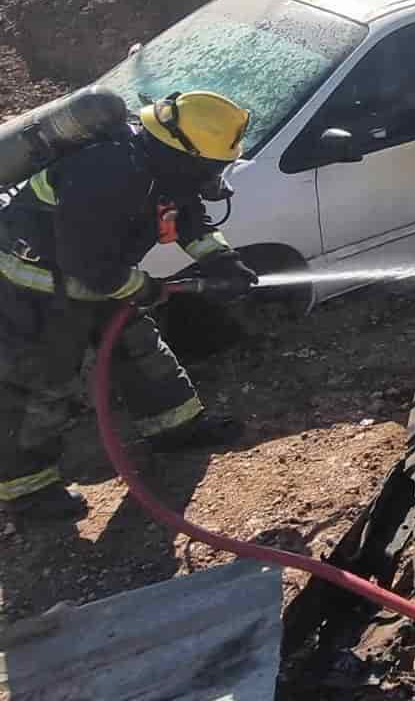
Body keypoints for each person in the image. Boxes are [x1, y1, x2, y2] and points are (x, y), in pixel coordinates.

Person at [0, 90, 259, 522]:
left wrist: (220, 257)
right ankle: (26, 491)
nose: (217, 174)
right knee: (41, 386)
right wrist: (145, 289)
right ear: (185, 154)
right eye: (213, 166)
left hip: (93, 279)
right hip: (37, 289)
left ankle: (174, 429)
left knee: (141, 351)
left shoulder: (163, 168)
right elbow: (86, 265)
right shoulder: (107, 170)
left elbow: (188, 215)